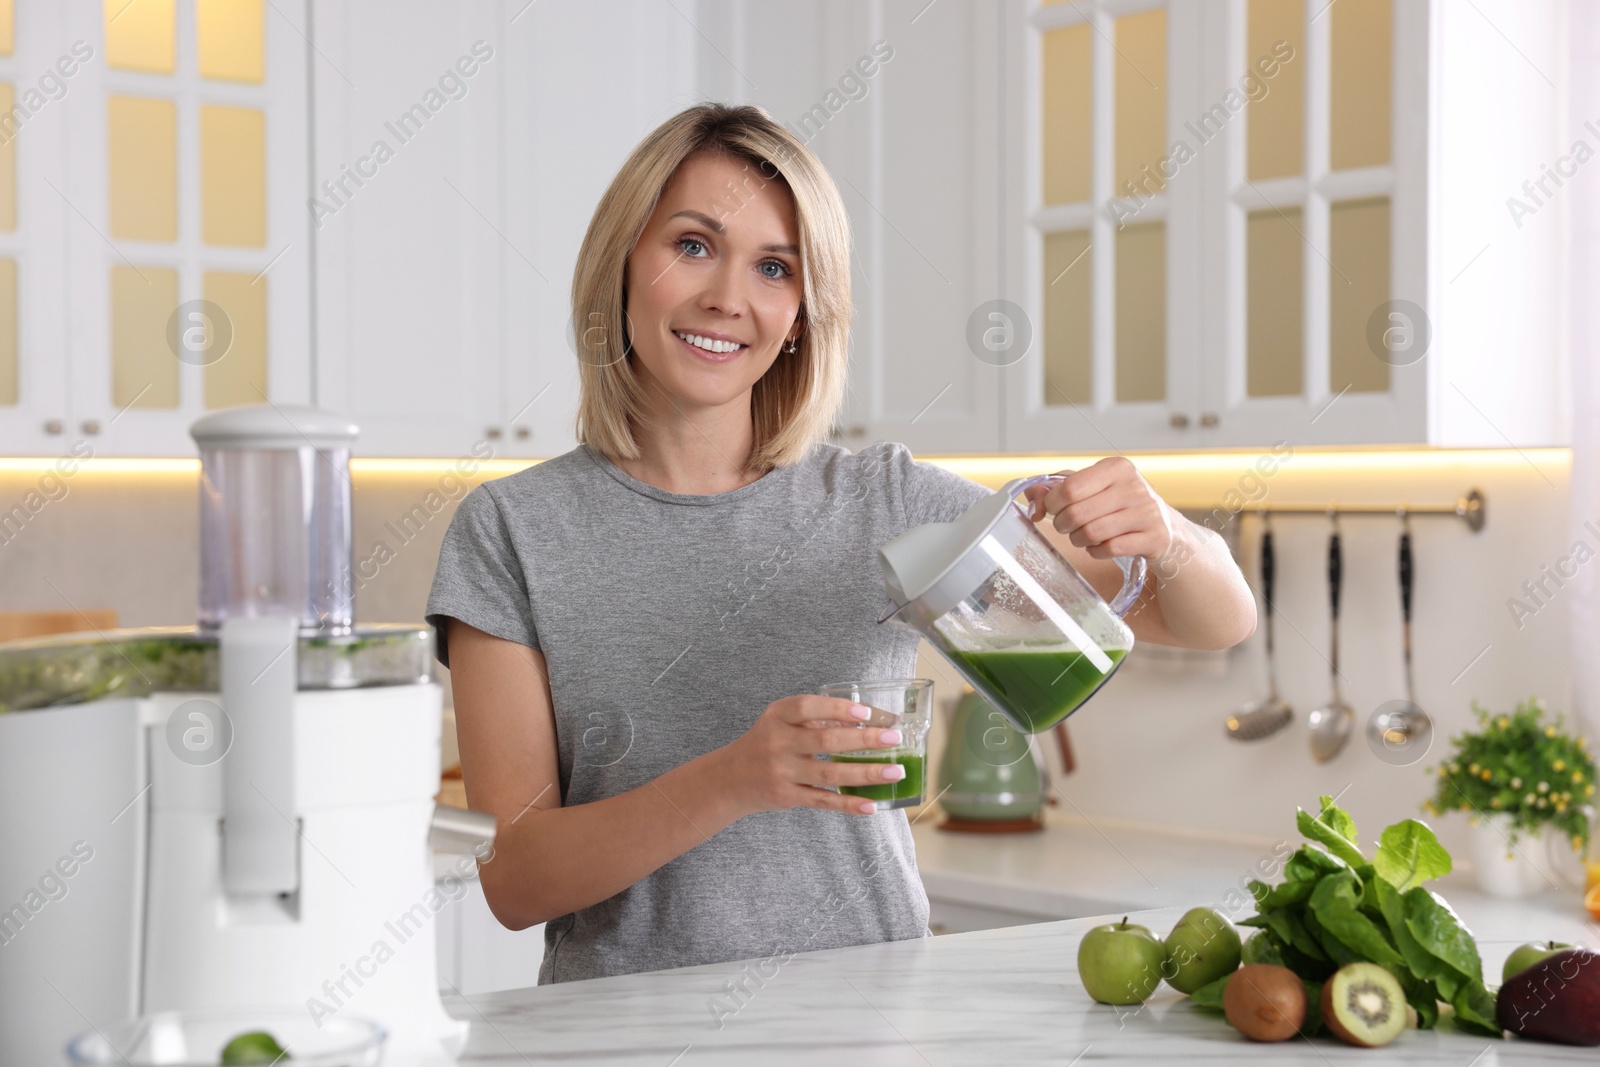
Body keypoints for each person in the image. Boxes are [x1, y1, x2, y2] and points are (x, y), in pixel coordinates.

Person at [425, 103, 1256, 986]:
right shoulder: (512, 531)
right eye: (693, 245)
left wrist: (1167, 538)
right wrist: (734, 778)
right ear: (621, 262)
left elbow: (1215, 620)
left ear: (801, 316)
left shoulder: (884, 503)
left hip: (871, 1018)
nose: (727, 298)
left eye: (774, 267)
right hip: (621, 1035)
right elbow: (514, 879)